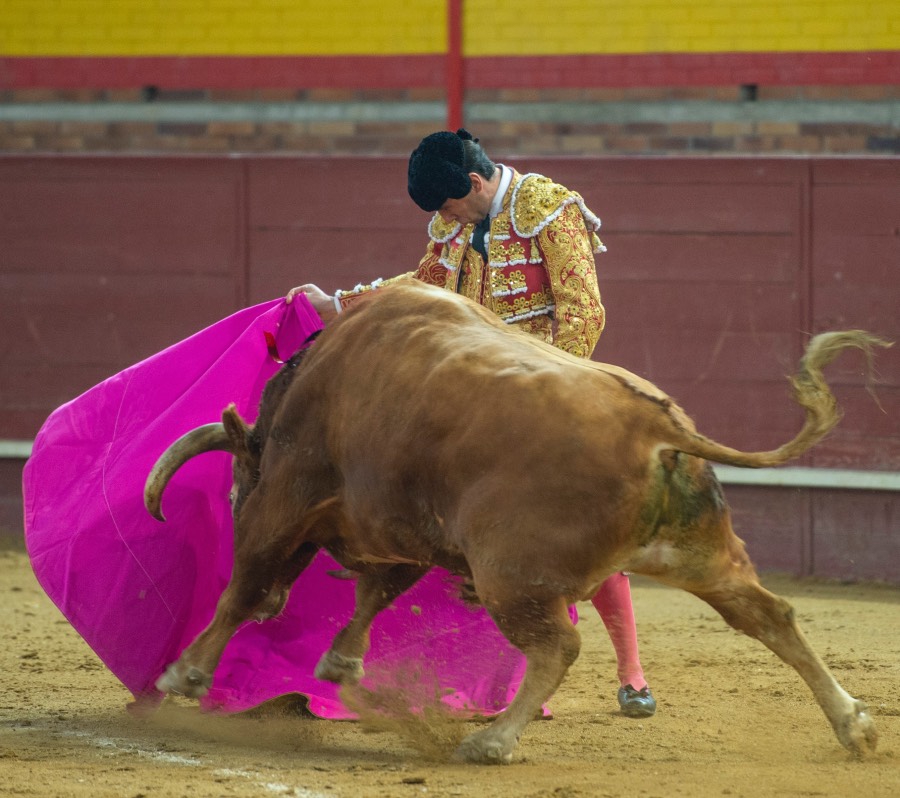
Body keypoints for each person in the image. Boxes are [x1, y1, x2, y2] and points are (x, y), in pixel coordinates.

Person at [287, 128, 656, 718]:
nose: (445, 218)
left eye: (449, 205)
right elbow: (422, 289)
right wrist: (340, 303)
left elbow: (583, 313)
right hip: (474, 404)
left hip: (547, 395)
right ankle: (488, 682)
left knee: (582, 530)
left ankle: (632, 672)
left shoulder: (548, 209)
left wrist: (551, 399)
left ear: (477, 184)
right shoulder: (454, 226)